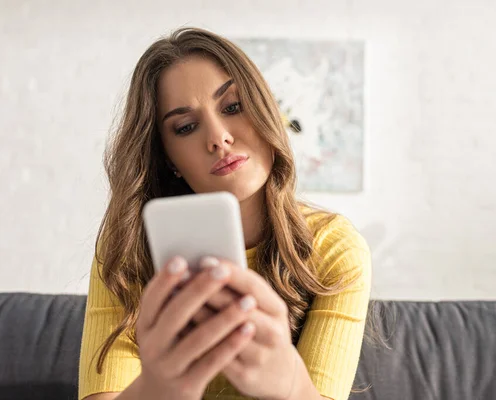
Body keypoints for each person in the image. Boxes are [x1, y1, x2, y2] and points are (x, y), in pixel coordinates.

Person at [78, 26, 372, 400]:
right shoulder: (128, 248)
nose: (218, 138)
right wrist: (159, 387)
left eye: (232, 107)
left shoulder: (335, 248)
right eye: (185, 127)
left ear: (266, 109)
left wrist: (289, 384)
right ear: (168, 159)